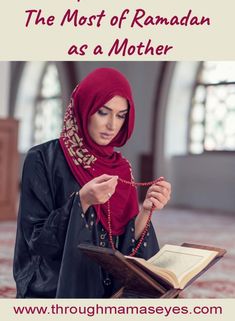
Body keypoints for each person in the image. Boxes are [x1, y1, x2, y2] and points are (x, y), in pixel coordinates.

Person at [13, 68, 171, 298]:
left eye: (121, 115)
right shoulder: (42, 159)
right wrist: (82, 201)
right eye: (103, 112)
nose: (112, 125)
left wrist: (146, 211)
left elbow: (124, 248)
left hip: (106, 282)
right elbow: (37, 243)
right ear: (84, 108)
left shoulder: (120, 167)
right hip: (57, 281)